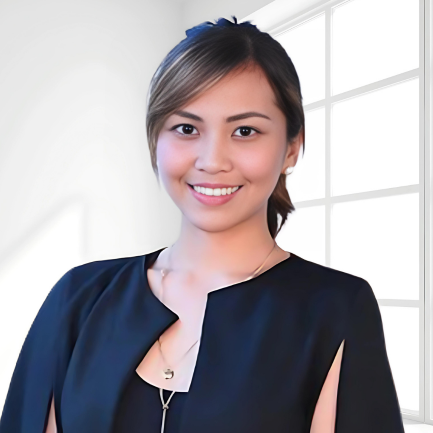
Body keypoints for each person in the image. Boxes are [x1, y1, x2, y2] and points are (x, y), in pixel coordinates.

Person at [0, 16, 405, 433]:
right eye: (186, 128)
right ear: (155, 142)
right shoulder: (79, 298)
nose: (212, 160)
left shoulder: (334, 307)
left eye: (245, 131)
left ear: (291, 148)